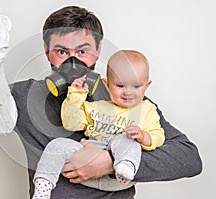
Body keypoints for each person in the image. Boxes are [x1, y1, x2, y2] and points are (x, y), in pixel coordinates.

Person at [0, 3, 202, 199]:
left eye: (82, 51)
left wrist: (108, 161)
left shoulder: (125, 96)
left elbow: (190, 158)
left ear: (97, 52)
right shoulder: (23, 98)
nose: (73, 61)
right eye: (62, 51)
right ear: (48, 53)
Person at [32, 50, 165, 198]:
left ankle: (125, 166)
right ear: (107, 85)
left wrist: (143, 136)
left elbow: (158, 135)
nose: (128, 92)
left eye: (136, 86)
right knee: (57, 145)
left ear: (146, 85)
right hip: (85, 166)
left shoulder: (147, 109)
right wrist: (76, 95)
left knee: (127, 139)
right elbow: (71, 123)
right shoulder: (96, 106)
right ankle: (42, 188)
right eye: (120, 86)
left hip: (117, 177)